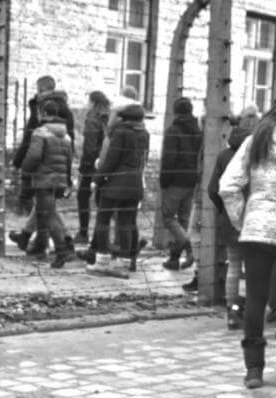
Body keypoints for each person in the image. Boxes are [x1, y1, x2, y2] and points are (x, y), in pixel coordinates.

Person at [219, 89, 276, 389]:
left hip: (255, 228)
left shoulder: (254, 140)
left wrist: (242, 219)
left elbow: (228, 185)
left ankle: (254, 369)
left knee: (256, 296)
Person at [78, 102, 149, 275]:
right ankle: (123, 265)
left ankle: (102, 260)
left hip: (115, 183)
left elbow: (112, 159)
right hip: (135, 183)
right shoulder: (144, 134)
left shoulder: (120, 132)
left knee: (102, 220)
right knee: (126, 223)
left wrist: (97, 179)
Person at [200, 106, 259, 310]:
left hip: (229, 217)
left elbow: (212, 189)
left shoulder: (223, 155)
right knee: (253, 267)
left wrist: (223, 209)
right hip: (252, 217)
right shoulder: (257, 156)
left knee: (233, 264)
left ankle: (231, 305)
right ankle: (251, 307)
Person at [10, 77, 73, 254]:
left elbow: (30, 142)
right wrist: (68, 174)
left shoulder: (40, 113)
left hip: (42, 169)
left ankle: (64, 245)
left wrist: (20, 164)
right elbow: (70, 144)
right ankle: (34, 239)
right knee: (45, 206)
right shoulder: (65, 113)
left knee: (47, 209)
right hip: (60, 166)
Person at [23, 99, 77, 268]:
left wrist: (26, 169)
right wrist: (67, 180)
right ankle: (42, 246)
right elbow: (69, 159)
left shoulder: (41, 132)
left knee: (48, 215)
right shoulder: (66, 135)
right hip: (60, 180)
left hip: (44, 180)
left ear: (44, 113)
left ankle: (62, 250)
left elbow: (34, 156)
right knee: (46, 213)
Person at [159, 97, 204, 271]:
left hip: (175, 179)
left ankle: (189, 247)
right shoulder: (198, 130)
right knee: (183, 219)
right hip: (192, 179)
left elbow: (169, 158)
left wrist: (164, 180)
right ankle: (174, 258)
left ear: (175, 112)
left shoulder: (173, 130)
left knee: (168, 217)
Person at [78, 91, 111, 242]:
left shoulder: (92, 119)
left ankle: (83, 233)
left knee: (83, 196)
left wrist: (84, 166)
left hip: (91, 165)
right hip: (106, 163)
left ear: (93, 102)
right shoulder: (110, 117)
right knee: (101, 201)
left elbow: (89, 147)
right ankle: (101, 237)